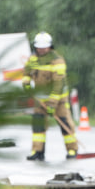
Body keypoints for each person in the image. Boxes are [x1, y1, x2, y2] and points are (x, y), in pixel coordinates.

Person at [22, 32, 77, 161]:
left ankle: (72, 149)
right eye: (39, 47)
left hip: (59, 99)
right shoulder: (33, 59)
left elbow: (58, 85)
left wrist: (52, 104)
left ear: (50, 46)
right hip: (39, 99)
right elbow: (26, 72)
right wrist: (26, 84)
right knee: (38, 125)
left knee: (65, 123)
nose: (41, 50)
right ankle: (37, 151)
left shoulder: (57, 60)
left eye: (44, 47)